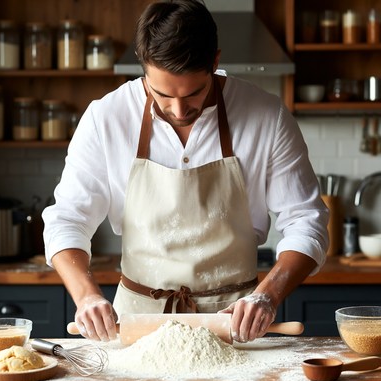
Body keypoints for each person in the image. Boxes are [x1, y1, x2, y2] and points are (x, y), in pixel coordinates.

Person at [42, 0, 329, 343]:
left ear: (215, 62)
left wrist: (268, 294)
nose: (179, 110)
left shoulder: (267, 117)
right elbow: (67, 220)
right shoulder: (106, 117)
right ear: (144, 69)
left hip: (234, 326)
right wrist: (86, 294)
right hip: (138, 326)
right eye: (162, 93)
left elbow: (306, 221)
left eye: (194, 93)